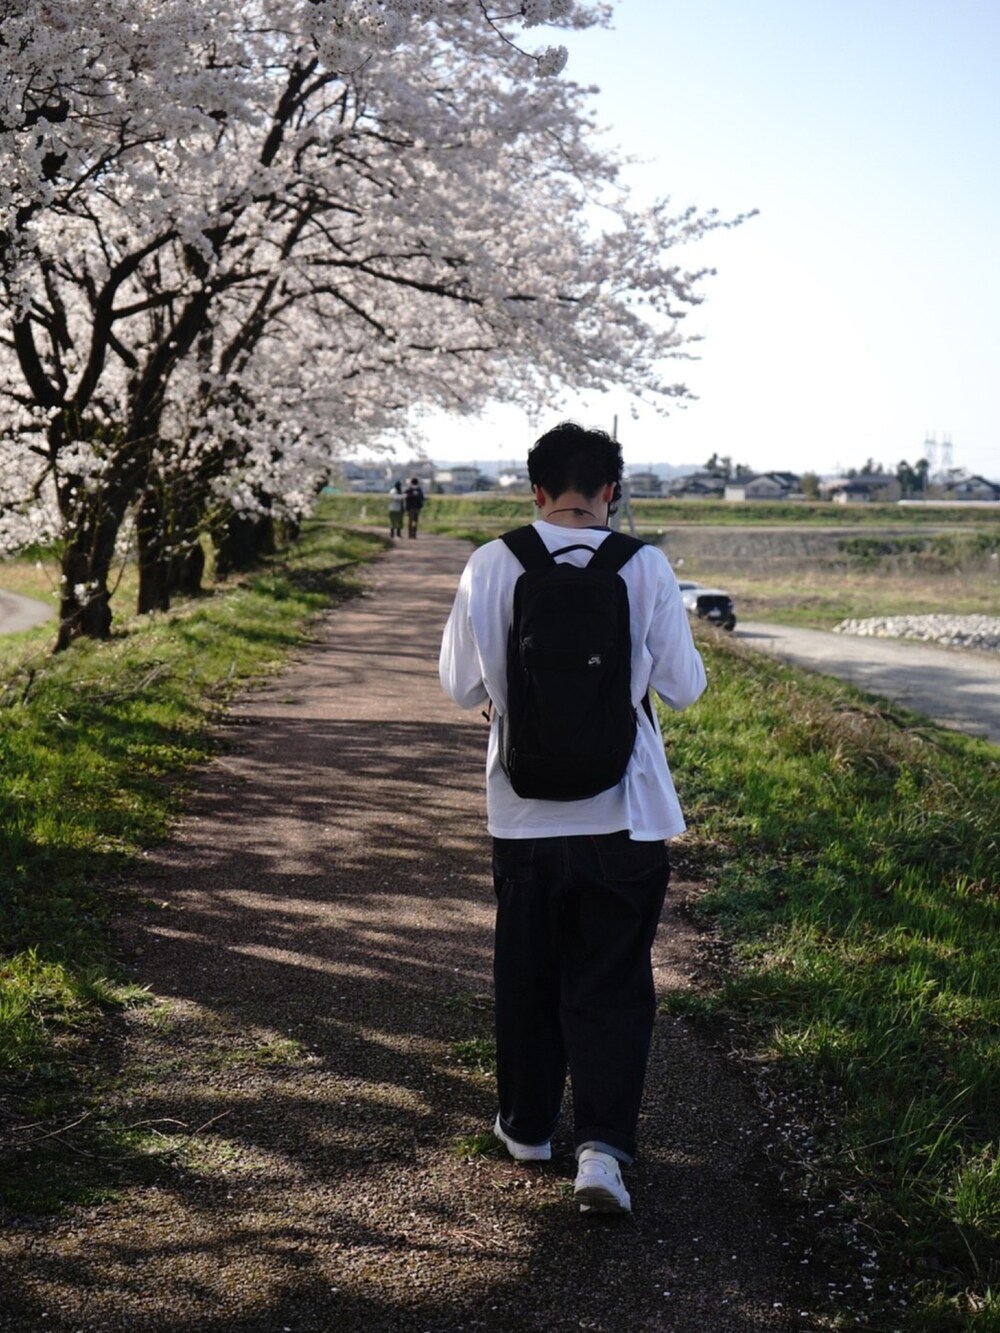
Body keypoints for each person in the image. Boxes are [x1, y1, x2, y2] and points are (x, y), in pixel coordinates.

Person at [439, 420, 706, 1216]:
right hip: (625, 814)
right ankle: (601, 1155)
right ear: (610, 492)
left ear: (537, 491)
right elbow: (684, 687)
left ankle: (527, 1129)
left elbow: (458, 685)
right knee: (612, 982)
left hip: (522, 814)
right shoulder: (643, 565)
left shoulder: (493, 561)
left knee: (527, 972)